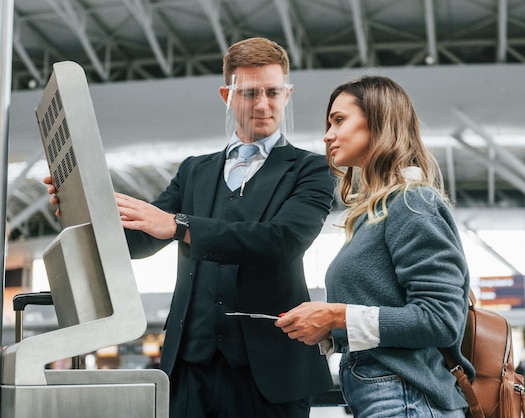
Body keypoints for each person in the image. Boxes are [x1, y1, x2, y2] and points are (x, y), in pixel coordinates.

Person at [46, 37, 335, 417]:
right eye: (249, 93)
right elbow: (140, 242)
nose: (264, 104)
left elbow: (282, 241)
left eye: (273, 92)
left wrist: (179, 226)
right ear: (226, 95)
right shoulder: (194, 170)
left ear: (288, 93)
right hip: (188, 369)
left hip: (269, 372)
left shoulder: (310, 169)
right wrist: (79, 209)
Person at [275, 75, 474, 417]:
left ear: (380, 121)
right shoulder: (375, 214)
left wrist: (335, 314)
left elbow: (440, 319)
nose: (327, 135)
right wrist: (327, 329)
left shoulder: (413, 203)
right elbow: (383, 310)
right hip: (390, 397)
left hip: (408, 398)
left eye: (339, 120)